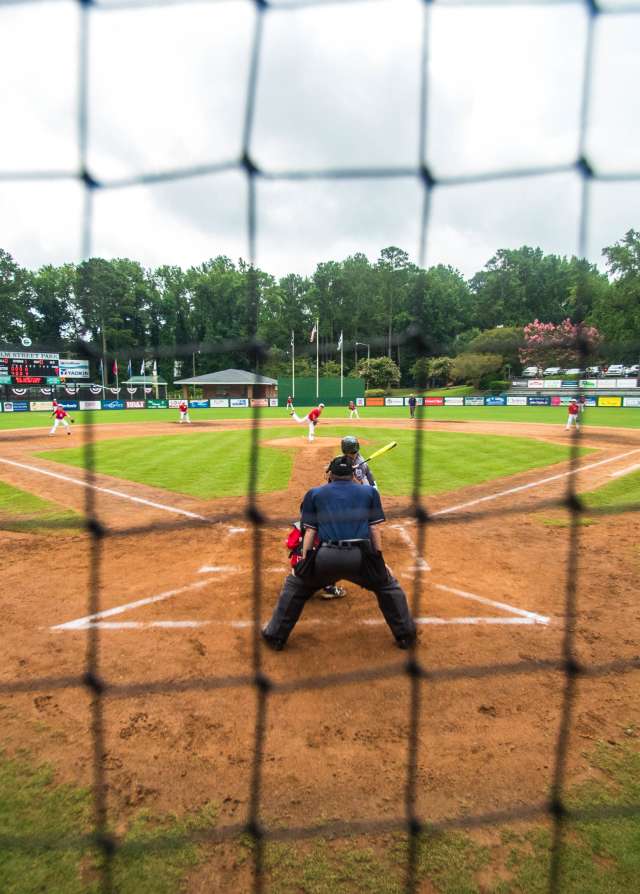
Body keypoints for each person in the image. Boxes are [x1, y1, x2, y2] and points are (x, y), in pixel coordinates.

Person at [262, 455, 416, 651]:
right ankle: (405, 637)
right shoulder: (369, 492)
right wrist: (378, 560)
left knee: (295, 585)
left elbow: (310, 532)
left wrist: (306, 562)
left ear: (330, 475)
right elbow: (374, 529)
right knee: (388, 586)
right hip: (360, 558)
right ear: (353, 474)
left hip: (326, 557)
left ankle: (275, 636)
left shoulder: (315, 493)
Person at [286, 522, 347, 600]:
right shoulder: (328, 528)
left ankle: (296, 587)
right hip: (317, 567)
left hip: (299, 568)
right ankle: (330, 588)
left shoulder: (299, 526)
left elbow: (290, 544)